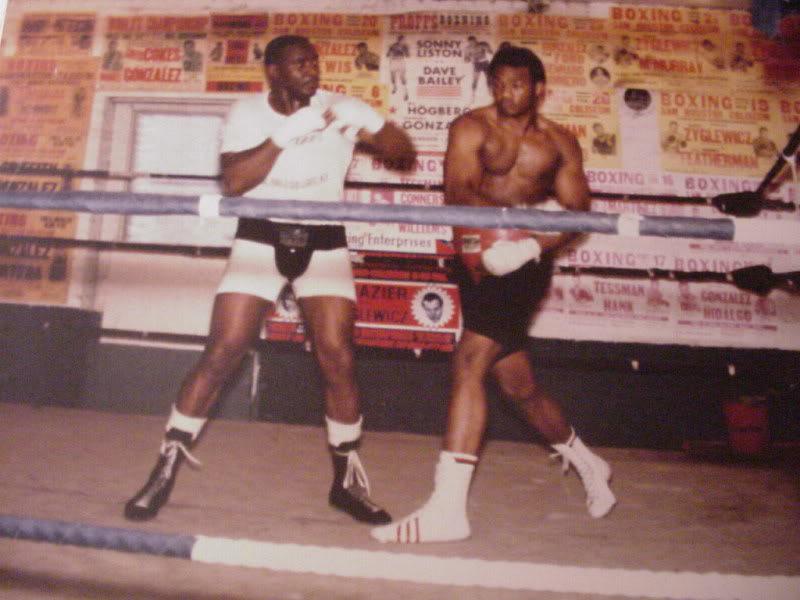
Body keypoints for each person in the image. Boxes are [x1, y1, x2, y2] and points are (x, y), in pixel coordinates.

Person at [125, 34, 416, 526]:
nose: (312, 70)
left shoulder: (337, 107)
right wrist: (283, 136)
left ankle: (347, 482)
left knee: (338, 358)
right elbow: (235, 183)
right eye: (300, 63)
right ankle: (165, 467)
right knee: (222, 351)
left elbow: (402, 153)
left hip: (324, 239)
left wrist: (370, 122)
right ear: (275, 72)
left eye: (315, 60)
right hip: (260, 235)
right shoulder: (248, 113)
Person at [371, 44, 616, 544]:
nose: (507, 93)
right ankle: (589, 463)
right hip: (472, 259)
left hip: (522, 265)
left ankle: (446, 511)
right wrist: (509, 231)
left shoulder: (560, 143)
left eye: (518, 84)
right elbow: (458, 192)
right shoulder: (470, 127)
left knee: (467, 365)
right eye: (499, 83)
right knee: (517, 385)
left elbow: (579, 212)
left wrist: (532, 244)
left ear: (539, 88)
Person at [464, 35, 493, 103]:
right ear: (469, 42)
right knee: (475, 80)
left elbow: (491, 52)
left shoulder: (482, 45)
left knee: (488, 78)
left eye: (473, 42)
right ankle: (473, 95)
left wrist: (488, 48)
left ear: (476, 40)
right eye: (471, 42)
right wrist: (469, 59)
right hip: (476, 64)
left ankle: (490, 93)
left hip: (484, 62)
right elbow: (465, 59)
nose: (472, 43)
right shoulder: (468, 49)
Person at [386, 35, 410, 101]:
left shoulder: (405, 46)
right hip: (393, 61)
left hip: (401, 62)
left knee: (402, 78)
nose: (403, 42)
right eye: (401, 40)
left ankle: (405, 93)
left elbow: (408, 55)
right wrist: (391, 51)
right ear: (398, 40)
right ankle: (394, 87)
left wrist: (403, 51)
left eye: (403, 40)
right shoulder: (393, 46)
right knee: (393, 77)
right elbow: (387, 55)